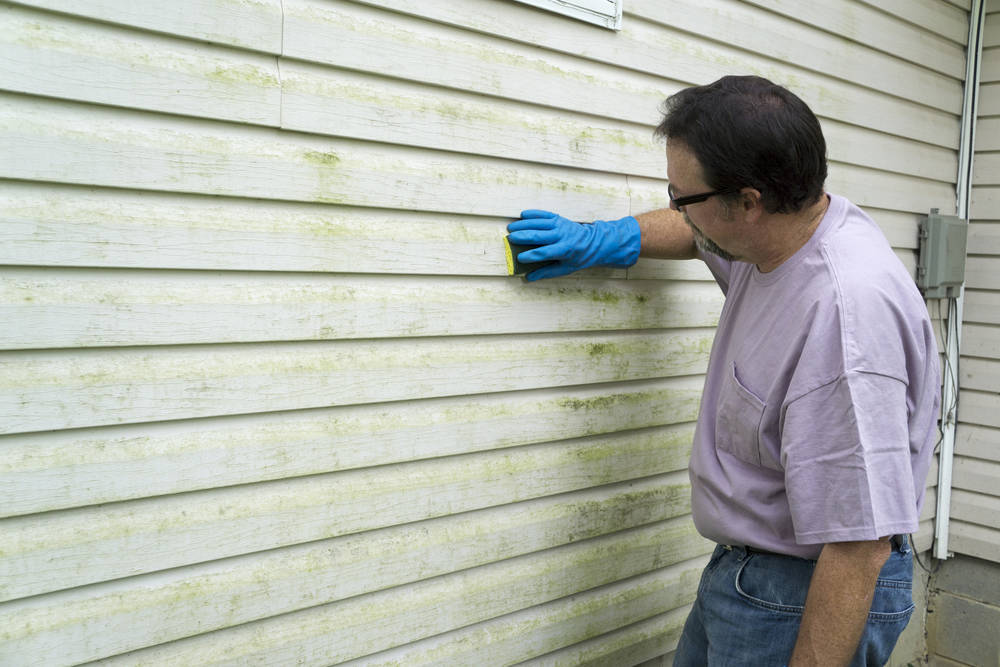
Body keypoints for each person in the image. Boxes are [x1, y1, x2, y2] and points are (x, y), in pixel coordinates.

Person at [507, 75, 940, 666]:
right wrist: (608, 238)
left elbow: (858, 542)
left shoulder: (846, 324)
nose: (675, 208)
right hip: (750, 575)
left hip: (804, 593)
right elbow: (697, 235)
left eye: (682, 196)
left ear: (748, 202)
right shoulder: (781, 237)